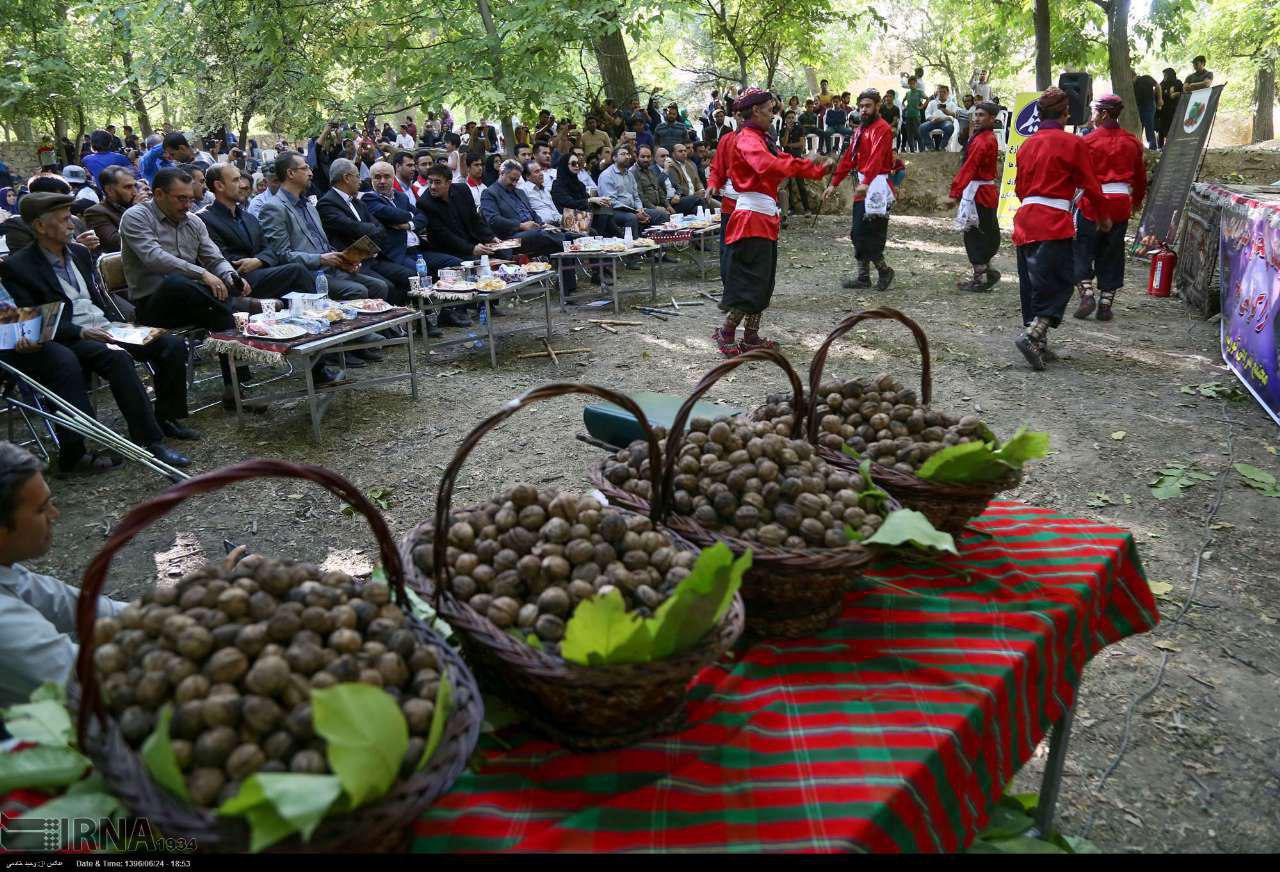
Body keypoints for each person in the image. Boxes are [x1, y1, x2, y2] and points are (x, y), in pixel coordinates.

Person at [0, 194, 194, 466]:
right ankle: (150, 441)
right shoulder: (19, 266)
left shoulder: (79, 253)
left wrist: (125, 323)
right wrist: (80, 332)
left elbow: (96, 299)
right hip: (68, 336)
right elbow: (28, 322)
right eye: (65, 219)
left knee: (170, 344)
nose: (72, 225)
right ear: (41, 227)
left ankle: (165, 417)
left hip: (104, 325)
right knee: (116, 358)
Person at [0, 441, 132, 707]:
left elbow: (75, 607)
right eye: (41, 508)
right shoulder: (5, 626)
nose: (54, 514)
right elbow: (92, 681)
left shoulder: (8, 573)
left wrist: (188, 604)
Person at [711, 88, 829, 356]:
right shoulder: (748, 139)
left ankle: (751, 336)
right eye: (770, 109)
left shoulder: (763, 138)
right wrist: (812, 168)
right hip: (751, 217)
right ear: (755, 110)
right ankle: (727, 333)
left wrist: (816, 169)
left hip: (763, 217)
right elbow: (766, 164)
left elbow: (782, 161)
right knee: (751, 284)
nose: (773, 114)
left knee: (763, 283)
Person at [1009, 88, 1109, 371]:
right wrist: (1102, 216)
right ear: (1065, 114)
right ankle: (1032, 335)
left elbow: (1019, 188)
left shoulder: (1026, 145)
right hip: (1053, 219)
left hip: (1026, 218)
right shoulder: (1073, 143)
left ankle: (1038, 342)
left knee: (1032, 281)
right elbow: (1090, 184)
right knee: (1062, 279)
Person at [258, 153, 392, 304]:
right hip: (308, 274)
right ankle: (349, 327)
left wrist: (344, 259)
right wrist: (320, 259)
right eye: (305, 168)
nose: (311, 173)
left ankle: (379, 327)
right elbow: (281, 255)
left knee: (380, 286)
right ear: (290, 173)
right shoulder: (273, 208)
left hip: (331, 269)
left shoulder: (309, 205)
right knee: (358, 290)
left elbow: (323, 244)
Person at [1072, 94, 1147, 323]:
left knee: (1082, 248)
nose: (1092, 115)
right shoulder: (1133, 142)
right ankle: (1105, 304)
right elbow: (1140, 179)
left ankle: (1086, 294)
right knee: (1112, 251)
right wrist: (1135, 203)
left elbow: (1079, 176)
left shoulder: (1088, 142)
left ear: (1103, 113)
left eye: (1095, 111)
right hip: (1121, 203)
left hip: (1094, 202)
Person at [198, 163, 318, 303]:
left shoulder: (247, 217)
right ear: (219, 186)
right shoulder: (204, 219)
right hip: (236, 280)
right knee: (296, 270)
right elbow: (217, 258)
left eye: (241, 179)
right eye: (236, 180)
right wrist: (253, 262)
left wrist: (259, 260)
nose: (243, 185)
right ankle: (322, 311)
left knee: (296, 275)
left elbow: (269, 248)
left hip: (261, 271)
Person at [317, 158, 410, 319]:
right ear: (347, 178)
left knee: (408, 275)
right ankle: (388, 327)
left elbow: (380, 229)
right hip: (350, 262)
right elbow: (353, 227)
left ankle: (414, 322)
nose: (361, 181)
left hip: (373, 258)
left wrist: (370, 233)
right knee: (386, 286)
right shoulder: (327, 203)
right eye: (357, 176)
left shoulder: (357, 202)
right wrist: (370, 231)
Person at [824, 89, 897, 292]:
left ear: (877, 106)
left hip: (877, 186)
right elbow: (849, 158)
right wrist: (833, 183)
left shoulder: (882, 129)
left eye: (868, 106)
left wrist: (866, 183)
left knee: (873, 231)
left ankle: (884, 270)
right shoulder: (860, 130)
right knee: (858, 231)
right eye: (861, 106)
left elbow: (876, 157)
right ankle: (863, 277)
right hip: (864, 183)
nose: (864, 110)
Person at [947, 101, 1002, 292]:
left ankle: (982, 275)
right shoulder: (983, 137)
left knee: (975, 234)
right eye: (976, 114)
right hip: (980, 191)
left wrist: (955, 192)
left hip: (979, 194)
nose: (977, 118)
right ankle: (983, 272)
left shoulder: (983, 140)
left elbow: (969, 167)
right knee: (980, 231)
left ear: (992, 119)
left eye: (981, 115)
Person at [596, 146, 652, 238]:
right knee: (632, 218)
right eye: (623, 154)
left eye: (628, 154)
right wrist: (635, 212)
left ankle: (656, 248)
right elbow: (610, 201)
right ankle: (633, 249)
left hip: (632, 209)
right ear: (614, 158)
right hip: (613, 211)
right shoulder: (607, 175)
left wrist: (640, 209)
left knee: (659, 214)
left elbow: (636, 196)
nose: (627, 157)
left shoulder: (629, 174)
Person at [82, 165, 137, 253]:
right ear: (109, 190)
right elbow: (116, 244)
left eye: (135, 186)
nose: (135, 192)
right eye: (128, 187)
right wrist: (136, 212)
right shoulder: (95, 212)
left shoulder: (137, 205)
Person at [778, 112, 812, 218]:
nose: (791, 120)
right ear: (785, 120)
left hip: (797, 159)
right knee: (788, 185)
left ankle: (807, 209)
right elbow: (783, 144)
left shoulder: (800, 128)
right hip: (787, 160)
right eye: (789, 118)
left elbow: (801, 144)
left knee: (800, 184)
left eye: (793, 117)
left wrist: (789, 145)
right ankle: (791, 208)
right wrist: (787, 132)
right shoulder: (783, 130)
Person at [919, 85, 957, 150]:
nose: (941, 94)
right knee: (922, 127)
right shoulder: (932, 102)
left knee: (950, 127)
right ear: (937, 93)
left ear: (948, 93)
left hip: (945, 122)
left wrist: (943, 118)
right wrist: (932, 119)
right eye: (940, 92)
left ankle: (942, 146)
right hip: (933, 122)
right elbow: (927, 114)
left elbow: (954, 115)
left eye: (944, 92)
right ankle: (930, 146)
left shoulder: (952, 104)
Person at [1132, 70, 1160, 150]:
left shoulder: (1146, 78)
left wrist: (1159, 99)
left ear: (1133, 76)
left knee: (1149, 127)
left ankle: (1153, 148)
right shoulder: (1132, 84)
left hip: (1149, 106)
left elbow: (1157, 86)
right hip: (1139, 107)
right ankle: (1138, 147)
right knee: (1139, 127)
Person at [1156, 68, 1183, 149]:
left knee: (1172, 129)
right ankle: (1160, 147)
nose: (1164, 77)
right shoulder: (1162, 83)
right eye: (1163, 75)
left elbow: (1184, 93)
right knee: (1161, 130)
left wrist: (1175, 94)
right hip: (1163, 111)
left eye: (1165, 75)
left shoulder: (1178, 82)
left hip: (1174, 110)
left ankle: (1170, 147)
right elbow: (1157, 92)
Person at [901, 76, 926, 153]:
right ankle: (912, 151)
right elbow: (903, 101)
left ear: (916, 83)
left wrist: (921, 107)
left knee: (918, 132)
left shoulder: (919, 92)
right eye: (910, 83)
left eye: (913, 83)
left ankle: (921, 150)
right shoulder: (907, 93)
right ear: (908, 84)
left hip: (916, 115)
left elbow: (927, 99)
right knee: (909, 133)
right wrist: (905, 107)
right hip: (908, 115)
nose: (912, 85)